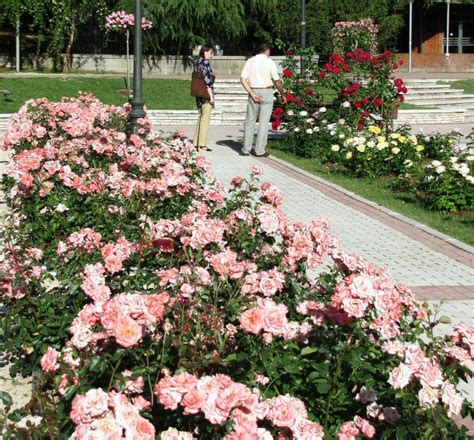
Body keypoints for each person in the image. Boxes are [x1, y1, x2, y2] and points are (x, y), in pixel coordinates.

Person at [240, 43, 286, 157]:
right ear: (268, 51)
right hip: (266, 91)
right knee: (264, 122)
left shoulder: (250, 61)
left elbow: (243, 79)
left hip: (253, 91)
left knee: (250, 121)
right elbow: (277, 81)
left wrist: (251, 92)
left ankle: (246, 149)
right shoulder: (270, 62)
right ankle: (259, 150)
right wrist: (282, 93)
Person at [193, 44, 215, 151]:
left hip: (198, 93)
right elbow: (207, 81)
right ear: (205, 51)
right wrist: (211, 97)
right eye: (211, 52)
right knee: (205, 119)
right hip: (205, 94)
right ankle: (202, 145)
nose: (212, 55)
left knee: (200, 118)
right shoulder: (205, 63)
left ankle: (196, 143)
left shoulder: (197, 62)